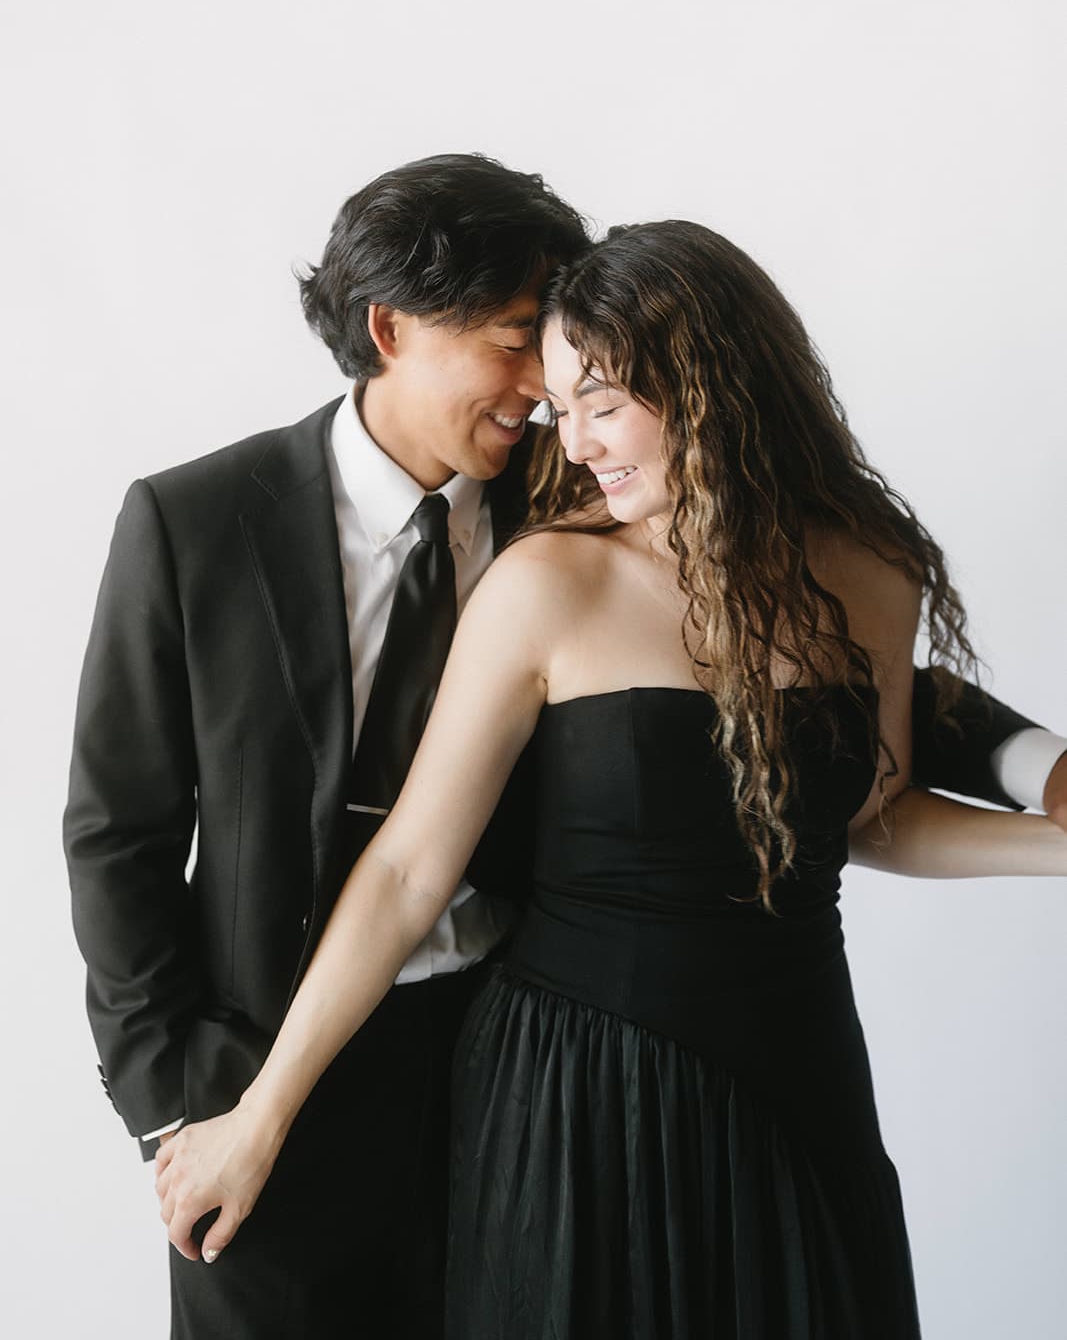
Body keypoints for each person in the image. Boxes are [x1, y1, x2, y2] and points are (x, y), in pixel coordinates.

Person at [153, 220, 1067, 1337]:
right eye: (560, 403)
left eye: (604, 400)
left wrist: (1052, 846)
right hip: (576, 1094)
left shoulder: (870, 577)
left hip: (797, 1069)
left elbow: (867, 816)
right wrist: (258, 1116)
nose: (573, 440)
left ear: (712, 384)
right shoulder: (549, 582)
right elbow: (404, 869)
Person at [62, 153, 590, 1338]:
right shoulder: (189, 522)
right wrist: (177, 1106)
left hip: (511, 1068)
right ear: (388, 327)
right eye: (513, 340)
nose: (542, 387)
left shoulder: (573, 510)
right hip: (256, 1088)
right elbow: (117, 835)